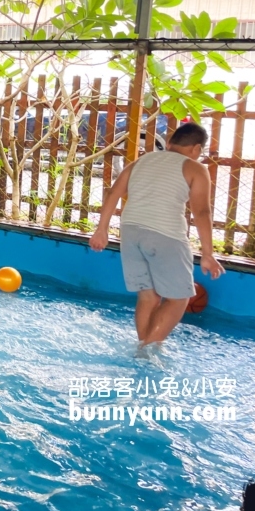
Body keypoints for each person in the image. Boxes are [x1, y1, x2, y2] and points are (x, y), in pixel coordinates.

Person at [90, 122, 224, 347]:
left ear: (170, 143)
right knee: (179, 299)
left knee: (148, 297)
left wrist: (101, 229)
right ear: (196, 149)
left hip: (131, 232)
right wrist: (208, 254)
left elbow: (114, 191)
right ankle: (148, 348)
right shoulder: (195, 168)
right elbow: (201, 211)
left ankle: (144, 347)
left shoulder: (142, 161)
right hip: (165, 235)